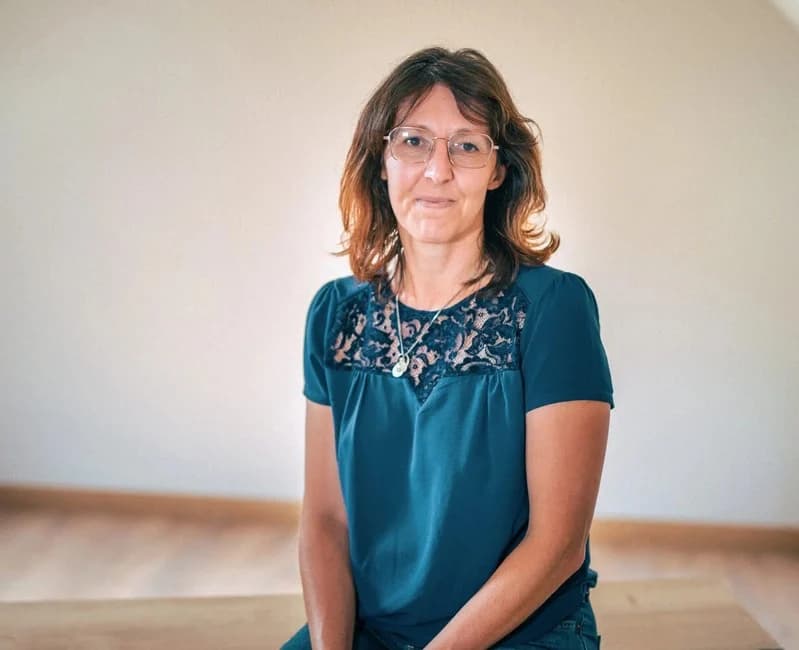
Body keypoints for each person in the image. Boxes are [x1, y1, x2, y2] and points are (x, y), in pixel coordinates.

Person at [282, 46, 613, 650]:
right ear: (381, 161)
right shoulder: (334, 313)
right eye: (412, 141)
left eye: (466, 145)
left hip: (522, 632)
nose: (437, 170)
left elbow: (558, 545)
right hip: (370, 631)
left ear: (498, 169)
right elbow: (325, 520)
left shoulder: (552, 308)